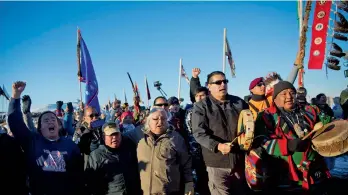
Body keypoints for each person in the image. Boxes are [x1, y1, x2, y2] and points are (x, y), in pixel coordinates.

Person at [252, 81, 330, 194]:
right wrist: (287, 145)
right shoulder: (266, 116)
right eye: (283, 94)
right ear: (275, 99)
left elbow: (329, 122)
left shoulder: (309, 110)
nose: (289, 96)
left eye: (292, 93)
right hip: (285, 174)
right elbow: (260, 140)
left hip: (314, 171)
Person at [7, 81, 83, 195]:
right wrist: (15, 96)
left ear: (58, 126)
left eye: (53, 120)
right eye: (46, 120)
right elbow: (15, 122)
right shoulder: (32, 142)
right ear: (40, 128)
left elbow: (78, 176)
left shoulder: (70, 145)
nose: (50, 122)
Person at [192, 71, 250, 195]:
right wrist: (217, 146)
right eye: (218, 82)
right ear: (209, 86)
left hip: (239, 161)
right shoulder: (201, 106)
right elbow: (199, 133)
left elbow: (249, 125)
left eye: (225, 81)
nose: (223, 84)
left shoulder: (239, 102)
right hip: (216, 164)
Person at [125, 108, 193, 195]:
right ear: (148, 121)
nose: (160, 122)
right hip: (144, 191)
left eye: (163, 119)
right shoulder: (138, 136)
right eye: (155, 119)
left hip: (169, 192)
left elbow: (186, 162)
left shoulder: (176, 138)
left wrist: (189, 183)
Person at [85, 121, 141, 195]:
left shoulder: (129, 148)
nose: (114, 137)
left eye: (116, 134)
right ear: (103, 136)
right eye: (111, 135)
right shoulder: (96, 155)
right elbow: (91, 183)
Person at [185, 86, 210, 195]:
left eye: (202, 95)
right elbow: (191, 131)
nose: (199, 98)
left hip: (211, 150)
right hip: (195, 150)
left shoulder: (213, 109)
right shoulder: (190, 111)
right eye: (197, 96)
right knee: (198, 179)